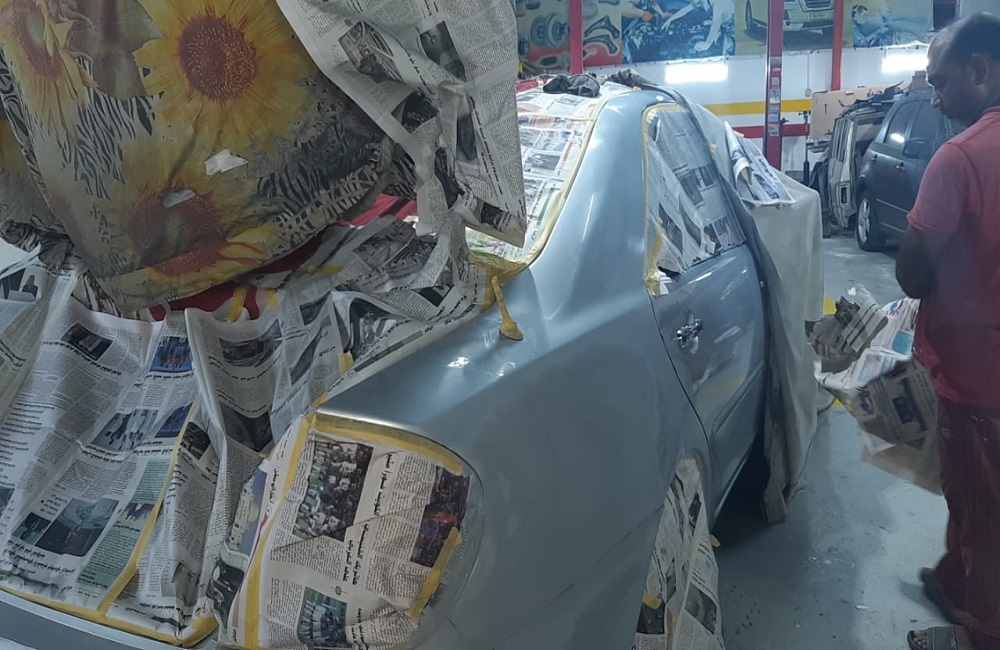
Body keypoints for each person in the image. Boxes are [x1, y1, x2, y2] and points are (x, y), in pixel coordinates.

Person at [894, 13, 1000, 650]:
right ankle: (956, 585)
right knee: (976, 499)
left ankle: (981, 636)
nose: (934, 98)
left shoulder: (959, 158)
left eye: (940, 83)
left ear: (979, 71)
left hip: (976, 377)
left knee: (984, 512)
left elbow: (911, 275)